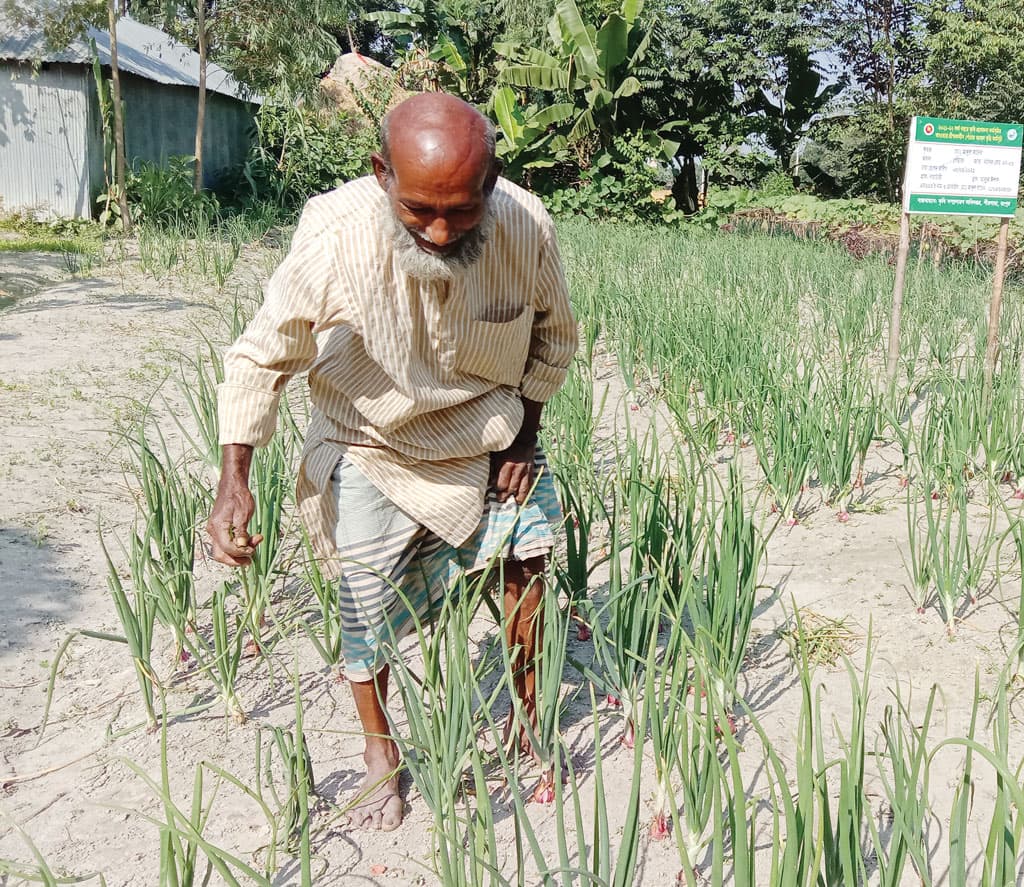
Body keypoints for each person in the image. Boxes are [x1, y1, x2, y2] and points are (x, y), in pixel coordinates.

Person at [205, 92, 577, 832]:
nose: (439, 232)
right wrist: (234, 478)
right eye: (418, 211)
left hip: (486, 429)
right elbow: (261, 353)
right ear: (382, 175)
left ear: (492, 181)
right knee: (364, 601)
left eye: (462, 212)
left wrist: (525, 439)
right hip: (373, 437)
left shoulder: (526, 225)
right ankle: (381, 752)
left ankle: (528, 714)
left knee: (530, 556)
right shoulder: (334, 231)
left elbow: (553, 340)